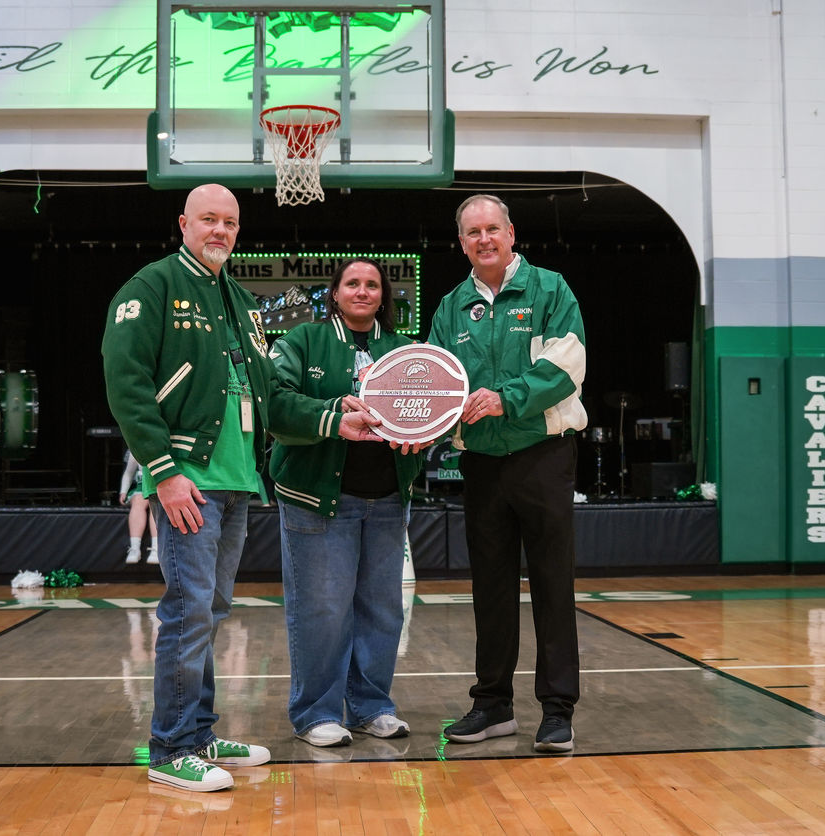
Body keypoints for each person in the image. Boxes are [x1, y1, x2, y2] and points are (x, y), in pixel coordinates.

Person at [101, 183, 382, 793]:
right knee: (188, 611)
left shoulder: (235, 298)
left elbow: (274, 401)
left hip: (236, 484)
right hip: (190, 483)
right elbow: (126, 385)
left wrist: (337, 415)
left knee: (211, 610)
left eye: (229, 222)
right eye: (208, 219)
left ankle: (199, 733)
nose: (219, 231)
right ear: (183, 223)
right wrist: (164, 473)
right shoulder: (151, 287)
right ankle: (171, 749)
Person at [428, 193, 587, 753]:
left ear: (511, 233)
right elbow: (436, 382)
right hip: (482, 462)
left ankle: (557, 710)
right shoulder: (451, 307)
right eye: (473, 233)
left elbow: (566, 366)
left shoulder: (550, 290)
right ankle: (492, 704)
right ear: (463, 242)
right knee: (490, 588)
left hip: (543, 456)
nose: (484, 239)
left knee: (551, 583)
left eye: (492, 229)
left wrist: (506, 398)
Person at [268, 258, 423, 748]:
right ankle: (315, 713)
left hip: (387, 499)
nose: (363, 291)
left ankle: (371, 706)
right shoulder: (302, 341)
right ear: (335, 293)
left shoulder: (404, 351)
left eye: (373, 284)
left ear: (383, 296)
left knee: (383, 609)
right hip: (317, 499)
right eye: (353, 283)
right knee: (323, 610)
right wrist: (333, 412)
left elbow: (430, 407)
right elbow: (274, 402)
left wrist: (423, 433)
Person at [119, 451, 158, 564]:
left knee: (154, 503)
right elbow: (128, 473)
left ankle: (156, 549)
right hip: (141, 486)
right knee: (138, 501)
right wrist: (123, 491)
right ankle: (134, 548)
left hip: (159, 486)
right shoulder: (136, 449)